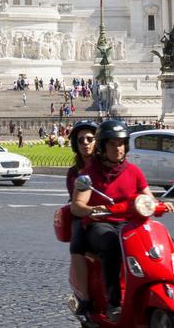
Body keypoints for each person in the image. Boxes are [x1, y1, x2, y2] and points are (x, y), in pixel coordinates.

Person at [71, 120, 174, 322]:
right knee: (111, 243)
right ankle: (114, 302)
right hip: (100, 224)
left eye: (120, 143)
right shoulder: (89, 174)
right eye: (111, 143)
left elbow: (148, 196)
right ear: (102, 147)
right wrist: (94, 209)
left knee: (160, 241)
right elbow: (77, 205)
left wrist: (161, 204)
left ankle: (154, 285)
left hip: (130, 223)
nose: (117, 148)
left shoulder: (134, 171)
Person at [65, 120, 98, 319]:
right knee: (77, 242)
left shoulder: (107, 164)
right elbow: (76, 203)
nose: (85, 143)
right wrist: (90, 209)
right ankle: (85, 298)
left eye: (90, 139)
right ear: (75, 145)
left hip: (113, 213)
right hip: (84, 215)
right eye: (80, 140)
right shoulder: (74, 173)